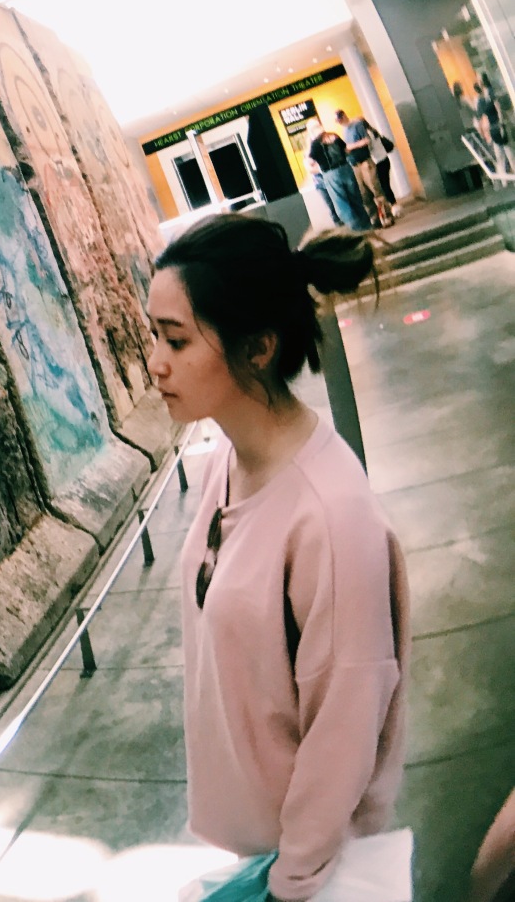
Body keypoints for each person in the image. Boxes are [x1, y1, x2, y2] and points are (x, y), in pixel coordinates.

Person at [149, 214, 409, 902]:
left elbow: (344, 729)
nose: (156, 363)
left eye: (177, 339)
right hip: (254, 848)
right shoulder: (227, 462)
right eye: (155, 336)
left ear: (259, 347)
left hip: (308, 870)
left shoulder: (331, 516)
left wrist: (291, 881)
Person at [305, 121, 372, 231]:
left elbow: (310, 162)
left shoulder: (315, 144)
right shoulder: (334, 136)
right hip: (346, 169)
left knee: (342, 204)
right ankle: (367, 227)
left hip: (331, 174)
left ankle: (356, 230)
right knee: (356, 199)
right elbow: (346, 150)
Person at [335, 108, 396, 227]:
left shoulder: (357, 125)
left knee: (376, 189)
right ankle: (375, 219)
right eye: (338, 121)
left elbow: (366, 141)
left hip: (365, 162)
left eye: (340, 119)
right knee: (364, 194)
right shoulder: (345, 130)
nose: (340, 122)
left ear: (344, 116)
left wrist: (351, 146)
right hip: (355, 164)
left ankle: (387, 216)